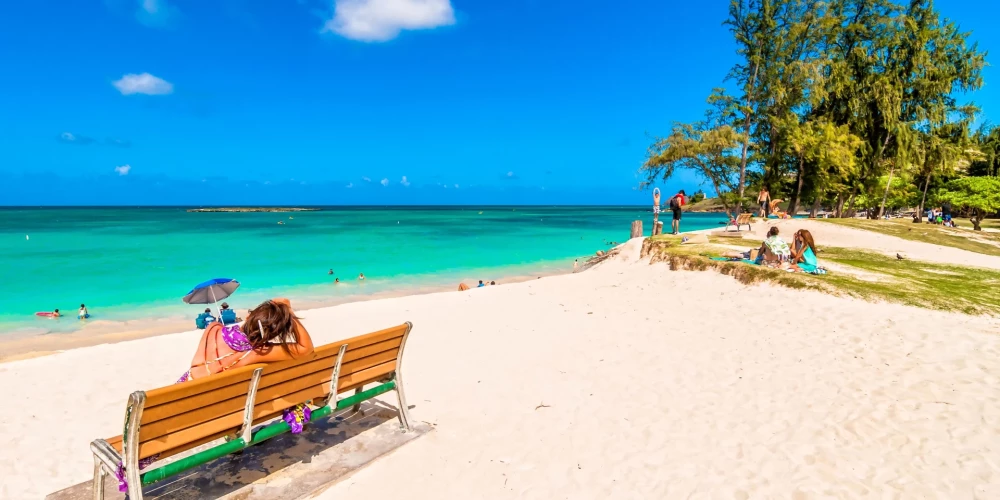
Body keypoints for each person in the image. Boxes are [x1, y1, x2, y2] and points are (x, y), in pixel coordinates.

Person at [181, 298, 315, 382]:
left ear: (248, 315)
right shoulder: (257, 353)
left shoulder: (213, 328)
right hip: (214, 404)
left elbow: (228, 335)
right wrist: (289, 312)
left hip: (185, 388)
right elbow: (306, 348)